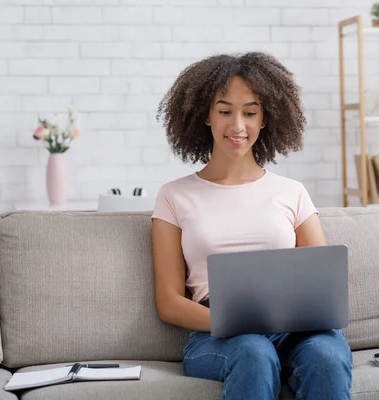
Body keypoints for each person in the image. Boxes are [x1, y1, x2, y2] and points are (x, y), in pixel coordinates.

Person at [151, 52, 352, 400]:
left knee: (326, 357)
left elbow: (323, 284)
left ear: (265, 118)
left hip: (297, 329)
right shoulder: (174, 196)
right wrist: (235, 322)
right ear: (206, 116)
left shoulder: (293, 192)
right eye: (225, 111)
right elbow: (169, 302)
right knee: (254, 353)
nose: (238, 126)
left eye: (250, 112)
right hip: (220, 333)